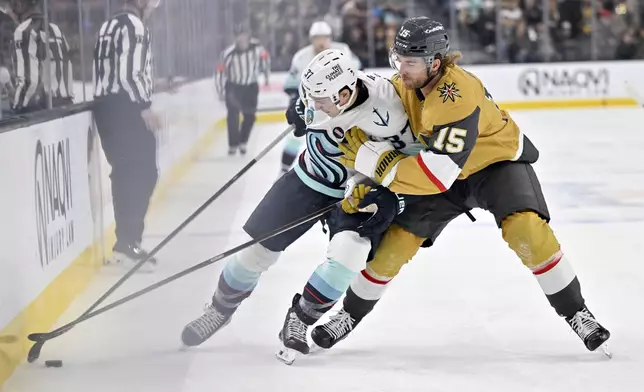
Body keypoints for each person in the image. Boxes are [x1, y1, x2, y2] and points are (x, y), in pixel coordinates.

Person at [303, 17, 611, 357]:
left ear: (435, 63)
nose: (400, 70)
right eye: (398, 59)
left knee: (526, 230)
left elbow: (435, 176)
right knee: (394, 247)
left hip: (495, 163)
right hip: (443, 171)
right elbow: (368, 108)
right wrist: (312, 109)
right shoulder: (406, 84)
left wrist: (378, 164)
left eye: (410, 62)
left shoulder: (457, 94)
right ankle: (348, 314)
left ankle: (576, 311)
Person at [180, 49, 422, 353]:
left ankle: (301, 318)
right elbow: (306, 104)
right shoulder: (325, 93)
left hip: (357, 192)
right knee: (256, 253)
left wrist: (393, 195)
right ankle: (219, 310)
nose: (313, 106)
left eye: (319, 101)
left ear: (345, 94)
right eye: (310, 97)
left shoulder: (387, 110)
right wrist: (300, 104)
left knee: (348, 258)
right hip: (308, 179)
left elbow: (414, 158)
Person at [92, 0, 162, 271]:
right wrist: (143, 106)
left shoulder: (107, 26)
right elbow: (128, 74)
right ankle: (127, 243)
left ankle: (126, 242)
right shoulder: (135, 26)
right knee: (142, 173)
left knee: (124, 172)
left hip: (106, 107)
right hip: (126, 108)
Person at [278, 21, 361, 177]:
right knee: (294, 137)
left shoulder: (342, 51)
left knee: (343, 138)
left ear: (330, 38)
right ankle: (283, 169)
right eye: (317, 38)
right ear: (311, 39)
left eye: (324, 37)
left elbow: (359, 75)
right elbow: (290, 85)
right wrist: (298, 105)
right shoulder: (301, 57)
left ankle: (350, 171)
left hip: (338, 106)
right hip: (312, 106)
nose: (321, 41)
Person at [8, 0, 73, 114]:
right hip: (66, 105)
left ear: (18, 5)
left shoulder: (23, 31)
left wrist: (16, 105)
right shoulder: (56, 30)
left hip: (42, 111)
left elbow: (29, 82)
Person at [215, 22, 270, 156]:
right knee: (233, 116)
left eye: (243, 35)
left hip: (251, 86)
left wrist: (266, 76)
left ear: (248, 36)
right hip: (234, 87)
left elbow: (265, 60)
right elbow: (220, 72)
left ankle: (242, 141)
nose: (241, 38)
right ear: (235, 38)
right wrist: (221, 90)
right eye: (238, 36)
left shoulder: (258, 48)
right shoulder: (228, 54)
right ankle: (233, 144)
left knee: (250, 116)